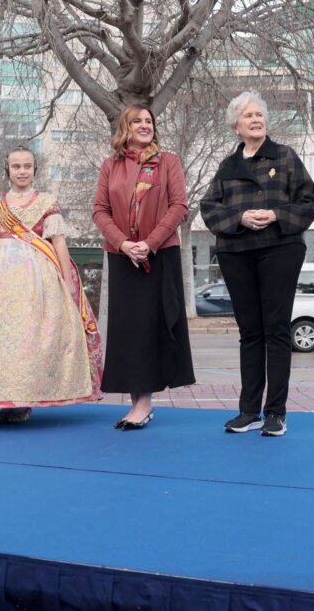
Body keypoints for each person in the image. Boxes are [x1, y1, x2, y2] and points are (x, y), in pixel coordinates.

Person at [0, 146, 104, 422]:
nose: (22, 171)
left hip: (37, 280)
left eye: (27, 166)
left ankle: (24, 399)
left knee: (29, 339)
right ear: (8, 170)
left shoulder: (47, 202)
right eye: (16, 166)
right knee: (0, 339)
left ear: (35, 169)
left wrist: (66, 280)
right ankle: (2, 397)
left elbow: (58, 242)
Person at [200, 92, 314, 437]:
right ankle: (249, 410)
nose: (256, 120)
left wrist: (276, 214)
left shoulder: (285, 156)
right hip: (237, 252)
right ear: (236, 126)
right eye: (248, 116)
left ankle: (276, 412)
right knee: (249, 332)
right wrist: (240, 217)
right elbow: (210, 209)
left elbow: (310, 201)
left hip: (279, 248)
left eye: (259, 115)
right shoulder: (227, 166)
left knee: (276, 330)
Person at [93, 104, 194, 430]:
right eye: (137, 120)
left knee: (153, 327)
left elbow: (179, 205)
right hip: (123, 257)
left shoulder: (168, 163)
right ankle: (138, 404)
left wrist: (149, 243)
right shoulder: (111, 166)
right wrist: (123, 243)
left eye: (148, 121)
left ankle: (144, 404)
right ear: (125, 127)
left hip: (160, 254)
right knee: (129, 332)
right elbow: (99, 210)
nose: (144, 125)